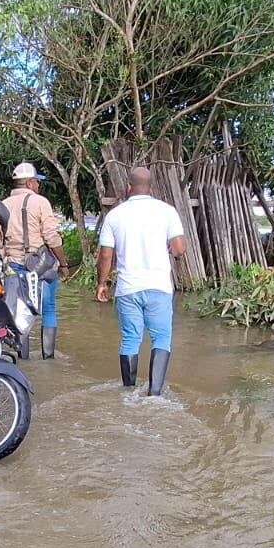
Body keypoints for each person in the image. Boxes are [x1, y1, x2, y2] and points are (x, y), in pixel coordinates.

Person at [95, 166, 185, 396]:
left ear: (128, 187)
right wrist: (169, 248)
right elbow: (179, 249)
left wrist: (102, 283)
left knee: (130, 338)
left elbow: (106, 254)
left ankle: (128, 392)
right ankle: (154, 395)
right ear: (151, 188)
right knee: (161, 337)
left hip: (127, 289)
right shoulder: (167, 211)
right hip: (159, 287)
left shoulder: (115, 215)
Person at [0, 162, 71, 358]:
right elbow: (51, 237)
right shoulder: (40, 202)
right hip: (40, 266)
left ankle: (21, 358)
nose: (38, 186)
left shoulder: (2, 204)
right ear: (30, 183)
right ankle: (48, 358)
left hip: (12, 266)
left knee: (19, 311)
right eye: (37, 182)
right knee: (48, 309)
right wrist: (63, 263)